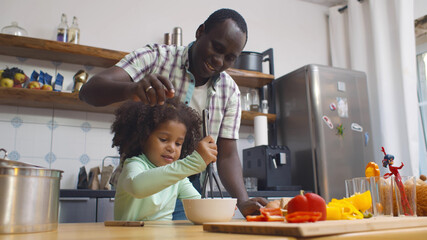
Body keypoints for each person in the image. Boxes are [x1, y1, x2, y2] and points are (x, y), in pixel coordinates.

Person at [79, 8, 268, 218]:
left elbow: (227, 154)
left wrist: (242, 200)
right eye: (217, 47)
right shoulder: (155, 58)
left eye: (229, 58)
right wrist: (131, 89)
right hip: (146, 175)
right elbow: (88, 92)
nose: (219, 61)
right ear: (200, 31)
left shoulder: (230, 91)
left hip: (189, 182)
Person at [112, 98, 217, 221]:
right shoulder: (134, 164)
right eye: (163, 139)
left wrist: (218, 208)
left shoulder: (178, 179)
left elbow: (199, 205)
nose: (172, 148)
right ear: (143, 137)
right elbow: (137, 187)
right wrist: (193, 162)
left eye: (178, 143)